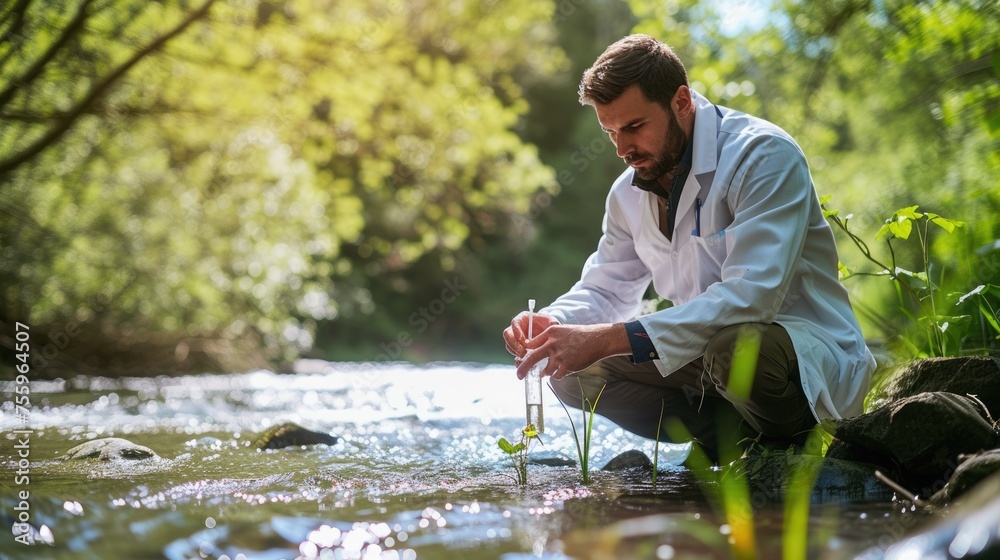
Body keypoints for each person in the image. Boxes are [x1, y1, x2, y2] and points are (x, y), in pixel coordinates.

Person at [502, 34, 876, 462]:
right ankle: (729, 442)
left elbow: (750, 300)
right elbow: (607, 289)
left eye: (634, 127)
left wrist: (609, 338)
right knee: (570, 372)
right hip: (704, 359)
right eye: (610, 132)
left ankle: (795, 447)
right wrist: (553, 324)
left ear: (681, 101)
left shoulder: (762, 156)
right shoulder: (626, 193)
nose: (623, 149)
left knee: (736, 351)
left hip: (796, 354)